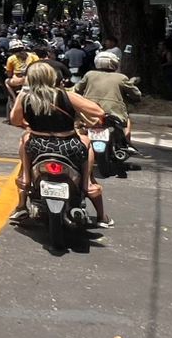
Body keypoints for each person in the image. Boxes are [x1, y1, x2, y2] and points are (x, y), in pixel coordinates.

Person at [10, 62, 112, 226]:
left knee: (25, 138)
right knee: (86, 141)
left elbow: (15, 120)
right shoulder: (66, 95)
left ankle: (25, 180)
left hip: (38, 146)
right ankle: (88, 185)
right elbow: (98, 112)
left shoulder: (26, 97)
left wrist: (22, 96)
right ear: (52, 77)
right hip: (67, 146)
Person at [76, 51, 142, 146]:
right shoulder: (121, 78)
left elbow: (77, 89)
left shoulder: (89, 75)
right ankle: (127, 144)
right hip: (114, 113)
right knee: (126, 119)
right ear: (115, 63)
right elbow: (136, 94)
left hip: (90, 112)